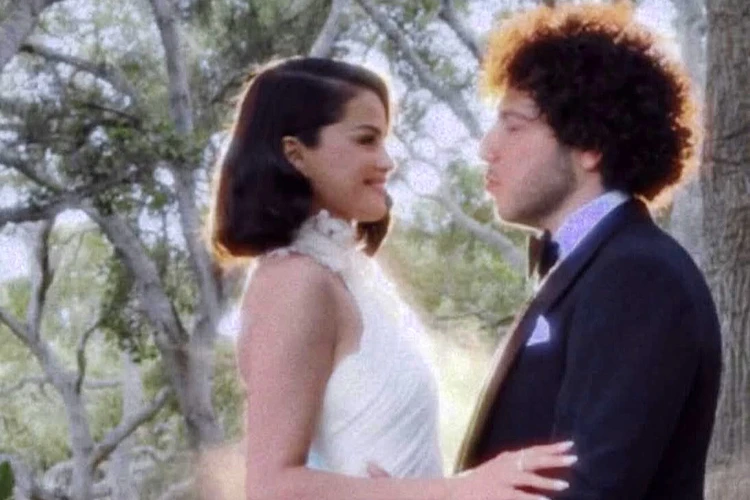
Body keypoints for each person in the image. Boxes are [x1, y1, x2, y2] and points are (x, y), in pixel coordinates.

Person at [206, 57, 576, 500]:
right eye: (366, 140)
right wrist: (458, 491)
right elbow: (271, 487)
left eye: (384, 140)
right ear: (296, 154)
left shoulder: (348, 275)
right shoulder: (293, 282)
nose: (387, 161)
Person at [454, 3, 722, 499]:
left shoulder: (639, 277)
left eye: (514, 125)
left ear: (590, 144)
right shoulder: (594, 265)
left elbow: (590, 489)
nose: (487, 147)